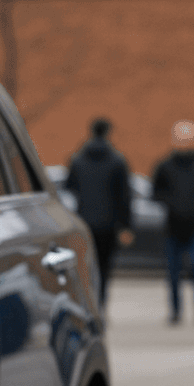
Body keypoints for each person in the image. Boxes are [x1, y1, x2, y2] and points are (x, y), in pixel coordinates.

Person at [151, 120, 194, 325]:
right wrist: (172, 203)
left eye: (187, 137)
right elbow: (156, 192)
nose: (184, 141)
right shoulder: (164, 165)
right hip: (173, 227)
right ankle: (175, 311)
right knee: (173, 272)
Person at [65, 117, 134, 306]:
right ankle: (100, 305)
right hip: (108, 224)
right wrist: (126, 225)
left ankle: (88, 303)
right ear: (108, 132)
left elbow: (69, 188)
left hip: (84, 222)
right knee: (104, 268)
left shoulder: (77, 160)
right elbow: (124, 196)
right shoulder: (117, 161)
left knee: (86, 267)